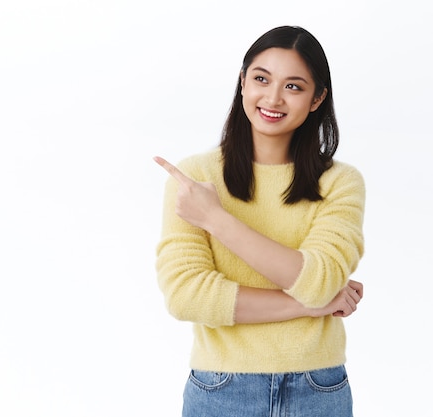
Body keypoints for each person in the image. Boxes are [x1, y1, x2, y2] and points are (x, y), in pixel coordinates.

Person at [153, 26, 365, 417]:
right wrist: (311, 306)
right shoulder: (195, 177)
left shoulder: (339, 182)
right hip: (220, 389)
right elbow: (186, 296)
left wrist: (215, 218)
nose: (272, 98)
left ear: (317, 98)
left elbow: (321, 281)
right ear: (242, 81)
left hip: (318, 389)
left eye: (294, 87)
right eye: (261, 79)